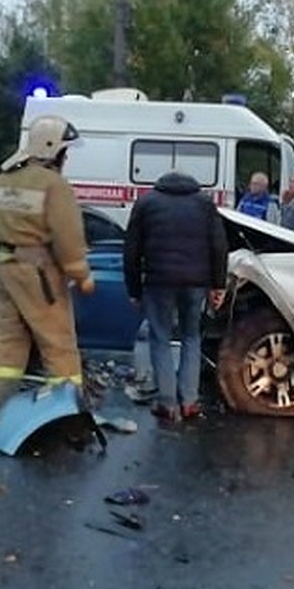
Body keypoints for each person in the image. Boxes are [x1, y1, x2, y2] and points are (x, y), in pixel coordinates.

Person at [0, 116, 95, 427]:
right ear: (52, 148)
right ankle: (68, 412)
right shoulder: (55, 186)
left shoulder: (2, 182)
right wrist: (81, 274)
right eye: (64, 151)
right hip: (39, 273)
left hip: (5, 269)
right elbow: (67, 237)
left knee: (7, 343)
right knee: (58, 342)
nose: (65, 158)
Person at [123, 171, 228, 424]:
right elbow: (219, 245)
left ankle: (167, 403)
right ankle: (189, 402)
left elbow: (131, 250)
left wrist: (134, 290)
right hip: (196, 283)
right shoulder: (204, 203)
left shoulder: (147, 202)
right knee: (191, 337)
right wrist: (218, 285)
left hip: (158, 282)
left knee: (160, 338)